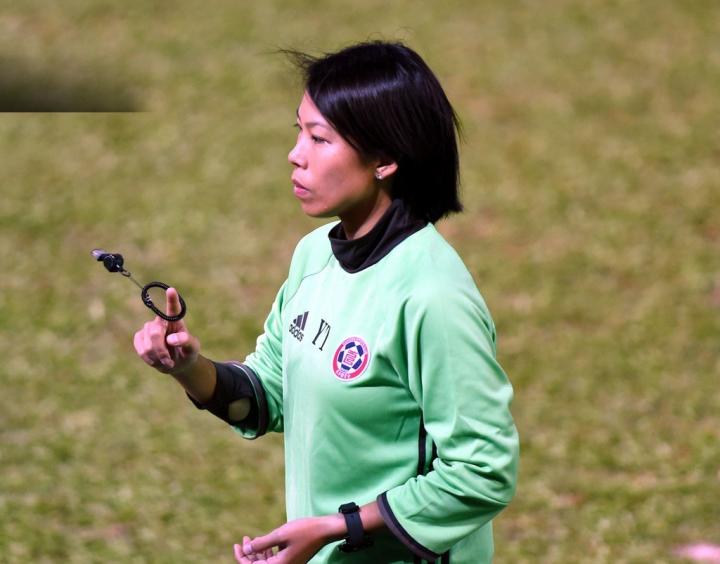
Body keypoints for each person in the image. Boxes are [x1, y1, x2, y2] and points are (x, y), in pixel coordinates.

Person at [134, 40, 519, 564]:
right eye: (299, 131)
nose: (296, 154)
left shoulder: (432, 299)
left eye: (320, 138)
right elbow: (270, 393)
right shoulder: (314, 256)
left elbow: (483, 472)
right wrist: (188, 367)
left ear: (384, 159)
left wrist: (339, 527)